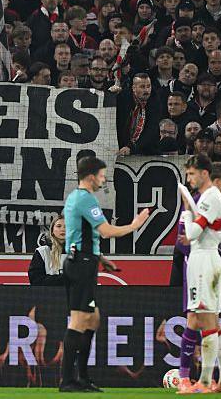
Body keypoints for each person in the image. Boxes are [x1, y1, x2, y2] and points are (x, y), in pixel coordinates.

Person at [59, 156, 150, 392]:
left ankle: (82, 377)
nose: (104, 178)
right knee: (80, 321)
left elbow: (78, 236)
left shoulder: (74, 197)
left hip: (80, 260)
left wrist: (101, 259)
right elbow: (106, 231)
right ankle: (68, 381)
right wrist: (135, 225)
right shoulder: (86, 199)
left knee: (93, 319)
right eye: (101, 174)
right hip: (82, 264)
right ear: (91, 176)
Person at [177, 157, 221, 394]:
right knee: (213, 322)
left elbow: (191, 234)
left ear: (204, 173)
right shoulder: (213, 198)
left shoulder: (209, 198)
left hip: (203, 261)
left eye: (191, 174)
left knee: (207, 321)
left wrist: (188, 211)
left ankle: (203, 381)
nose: (189, 179)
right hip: (209, 259)